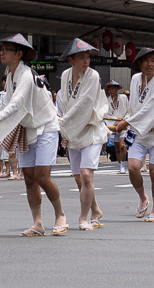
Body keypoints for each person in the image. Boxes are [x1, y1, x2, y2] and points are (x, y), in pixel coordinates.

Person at [0, 34, 67, 237]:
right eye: (1, 49)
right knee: (29, 178)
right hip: (27, 128)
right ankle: (37, 223)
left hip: (45, 126)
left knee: (42, 176)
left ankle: (60, 214)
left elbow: (16, 104)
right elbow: (8, 105)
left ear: (19, 54)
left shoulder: (26, 75)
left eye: (6, 49)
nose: (1, 53)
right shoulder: (11, 75)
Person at [56, 39, 107, 230]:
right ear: (71, 60)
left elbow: (85, 103)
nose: (86, 61)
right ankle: (95, 209)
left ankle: (83, 218)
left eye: (87, 57)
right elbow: (64, 100)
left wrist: (64, 122)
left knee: (86, 175)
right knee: (78, 178)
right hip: (73, 131)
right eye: (81, 57)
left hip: (90, 129)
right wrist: (61, 119)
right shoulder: (65, 75)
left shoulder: (93, 76)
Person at [114, 48, 154, 222]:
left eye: (153, 60)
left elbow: (150, 109)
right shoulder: (135, 79)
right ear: (139, 63)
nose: (150, 64)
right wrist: (128, 124)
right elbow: (135, 107)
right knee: (132, 168)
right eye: (146, 61)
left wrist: (127, 122)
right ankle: (142, 197)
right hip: (138, 132)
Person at [104, 80, 129, 175]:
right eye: (110, 89)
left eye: (113, 88)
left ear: (116, 89)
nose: (111, 91)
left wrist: (124, 120)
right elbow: (107, 114)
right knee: (117, 147)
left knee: (122, 145)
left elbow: (128, 110)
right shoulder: (107, 101)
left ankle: (123, 165)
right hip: (113, 125)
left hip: (123, 123)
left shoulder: (123, 98)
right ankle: (120, 165)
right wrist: (115, 122)